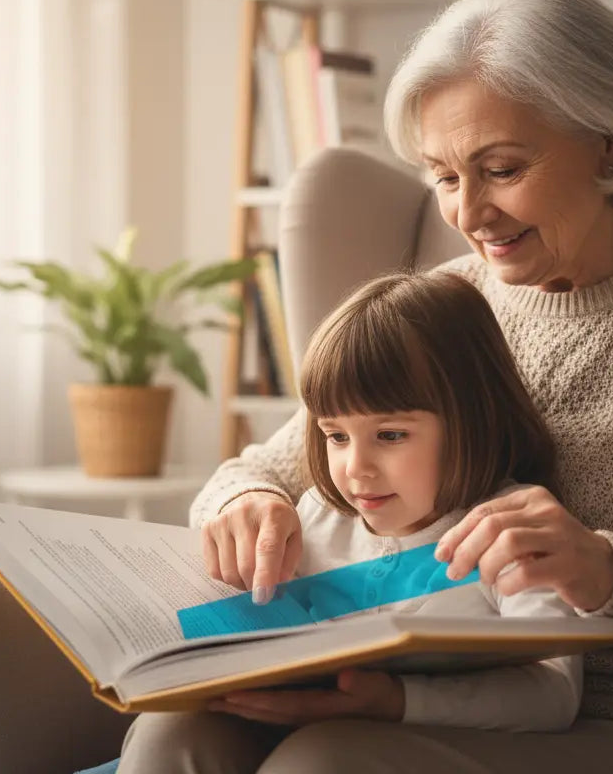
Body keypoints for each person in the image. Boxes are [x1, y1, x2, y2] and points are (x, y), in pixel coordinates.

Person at [120, 0, 613, 773]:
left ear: (607, 144)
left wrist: (610, 570)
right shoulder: (450, 301)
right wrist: (247, 502)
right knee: (171, 736)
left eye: (501, 169)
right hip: (388, 680)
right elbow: (271, 463)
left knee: (326, 763)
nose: (468, 215)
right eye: (443, 177)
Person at [240, 269, 580, 730]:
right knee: (168, 735)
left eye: (390, 434)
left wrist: (396, 700)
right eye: (336, 436)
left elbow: (554, 692)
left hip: (423, 746)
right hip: (283, 724)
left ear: (471, 419)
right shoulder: (318, 517)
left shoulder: (513, 531)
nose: (356, 468)